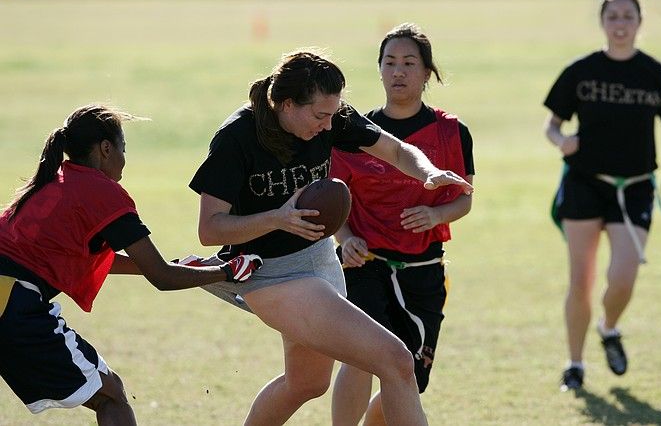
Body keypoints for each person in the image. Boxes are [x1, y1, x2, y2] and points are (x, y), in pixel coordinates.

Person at [189, 49, 473, 425]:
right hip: (270, 272)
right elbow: (211, 229)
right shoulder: (237, 137)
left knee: (307, 382)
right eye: (320, 115)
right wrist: (278, 218)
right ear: (287, 104)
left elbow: (396, 149)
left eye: (332, 114)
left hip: (319, 261)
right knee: (396, 361)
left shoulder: (331, 117)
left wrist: (428, 173)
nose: (328, 127)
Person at [0, 105, 262, 425]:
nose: (125, 157)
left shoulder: (52, 180)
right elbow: (162, 277)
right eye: (124, 148)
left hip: (9, 293)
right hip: (13, 304)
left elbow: (91, 259)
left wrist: (183, 266)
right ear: (106, 148)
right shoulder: (103, 192)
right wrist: (227, 272)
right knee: (111, 395)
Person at [329, 23, 474, 426]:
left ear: (427, 72)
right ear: (378, 69)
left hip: (424, 269)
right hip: (365, 263)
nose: (398, 71)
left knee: (408, 376)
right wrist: (346, 238)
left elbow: (464, 197)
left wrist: (436, 215)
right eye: (390, 61)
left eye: (409, 63)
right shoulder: (354, 133)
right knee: (362, 357)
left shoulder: (451, 131)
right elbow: (332, 201)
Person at [544, 0, 661, 391]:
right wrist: (561, 140)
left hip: (636, 187)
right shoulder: (581, 71)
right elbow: (552, 124)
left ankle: (609, 328)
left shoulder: (655, 73)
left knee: (623, 277)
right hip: (585, 183)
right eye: (613, 16)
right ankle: (575, 364)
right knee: (580, 281)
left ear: (640, 22)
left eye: (628, 16)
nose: (620, 24)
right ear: (602, 22)